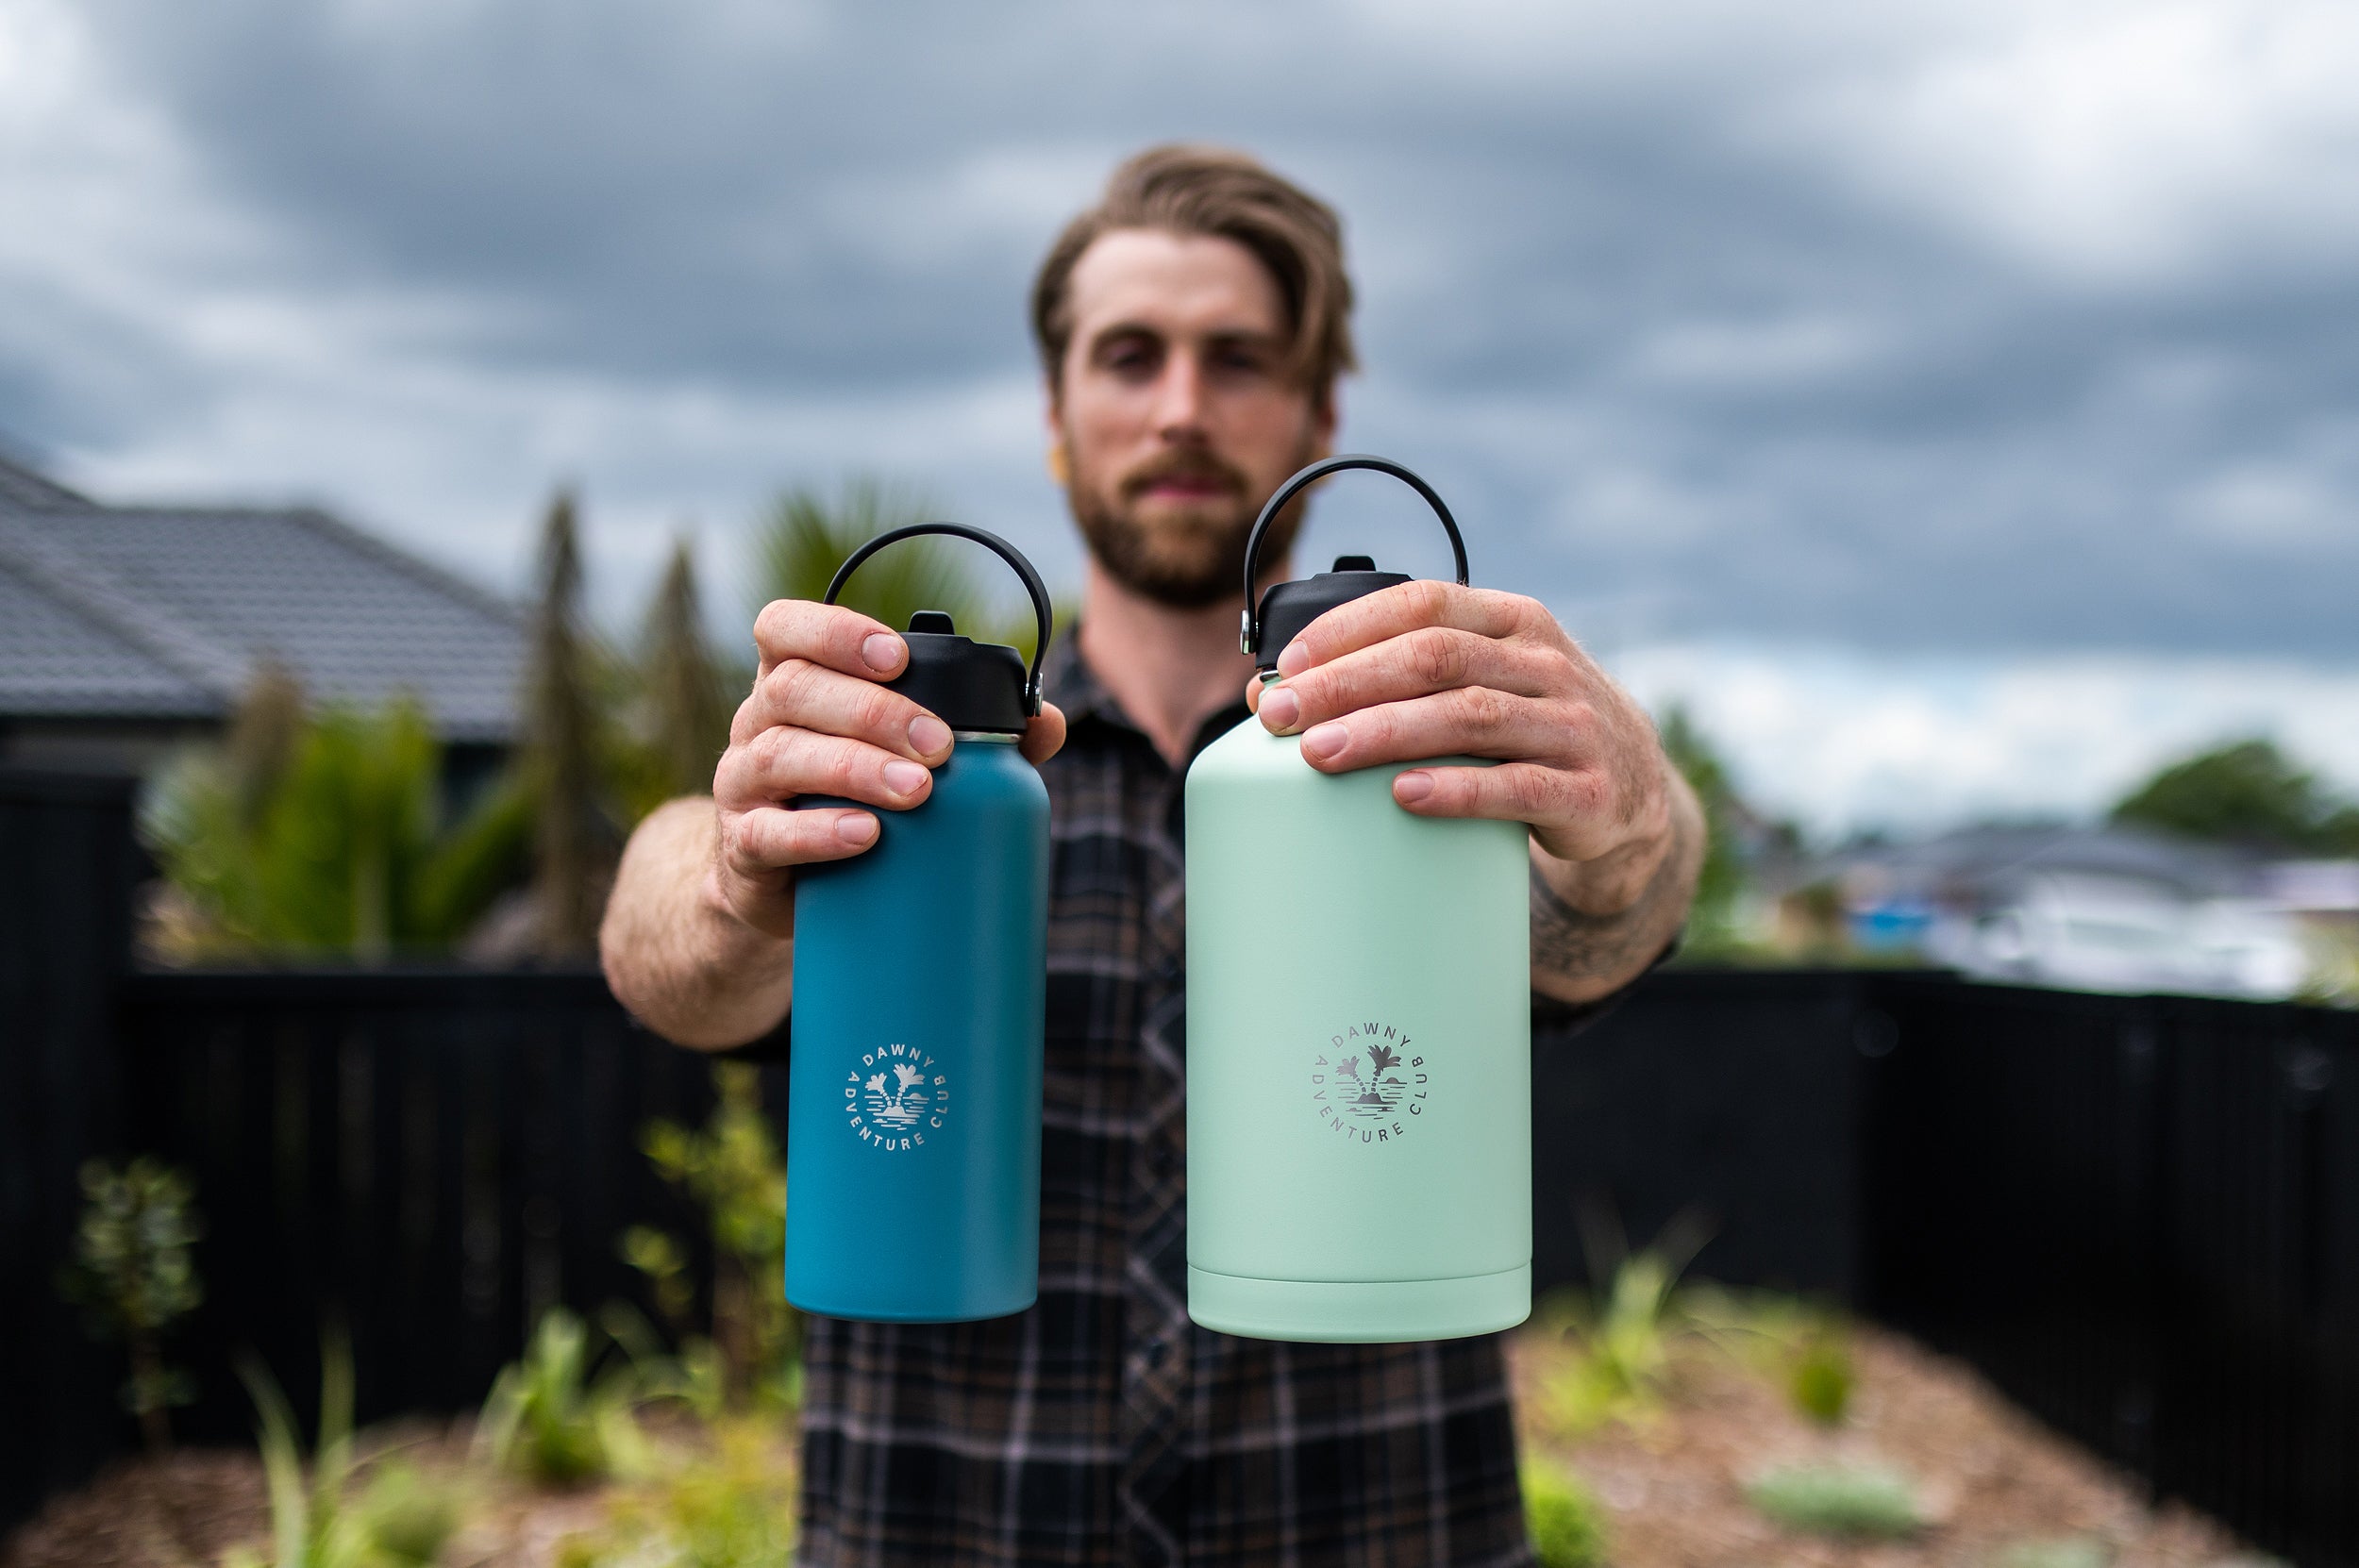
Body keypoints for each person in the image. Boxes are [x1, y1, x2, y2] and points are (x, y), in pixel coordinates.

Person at [600, 144, 1703, 1567]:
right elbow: (663, 928)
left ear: (1319, 412)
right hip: (946, 1522)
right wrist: (732, 876)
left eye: (1238, 359)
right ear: (1057, 417)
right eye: (1131, 357)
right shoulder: (906, 749)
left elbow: (1608, 913)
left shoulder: (1451, 741)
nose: (1183, 406)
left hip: (1376, 1520)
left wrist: (1632, 827)